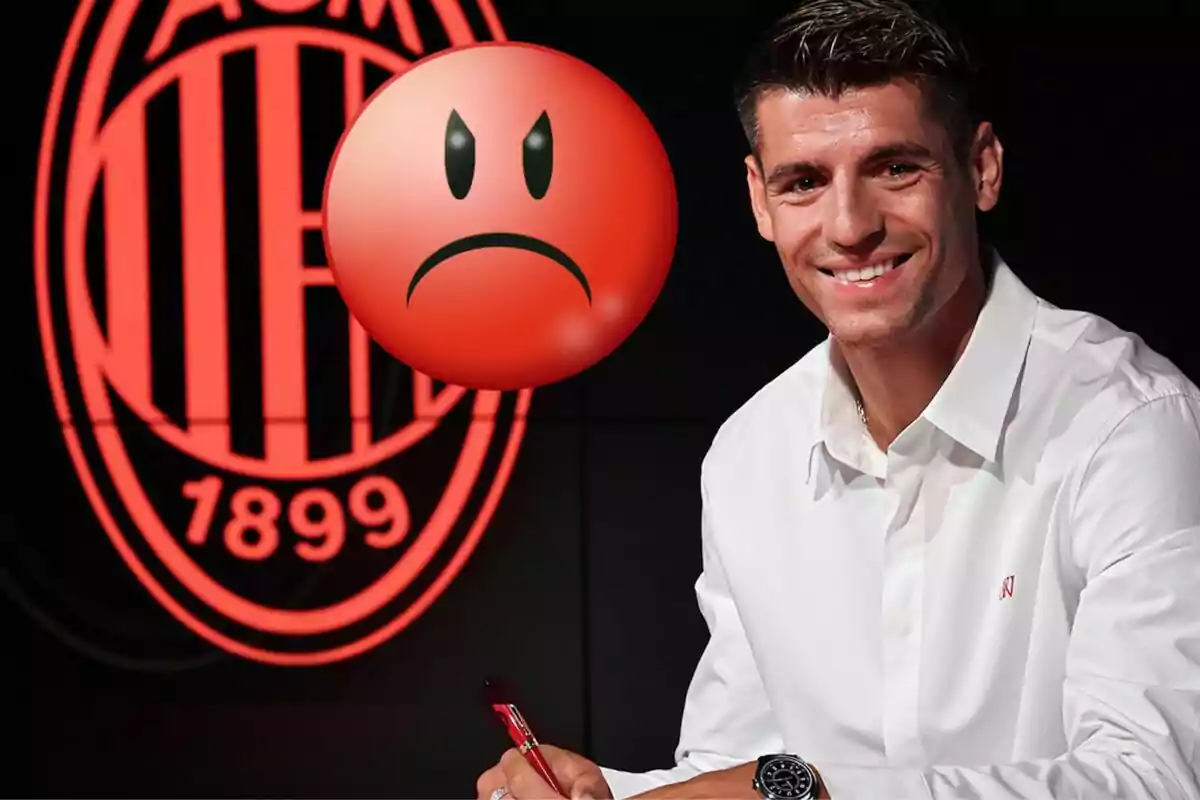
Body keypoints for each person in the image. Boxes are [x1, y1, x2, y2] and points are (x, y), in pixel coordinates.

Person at [476, 0, 1200, 797]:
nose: (849, 225)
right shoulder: (752, 452)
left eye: (895, 167)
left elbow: (1154, 779)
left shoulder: (1131, 426)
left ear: (982, 168)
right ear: (759, 200)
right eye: (805, 182)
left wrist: (807, 792)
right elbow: (736, 772)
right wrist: (607, 793)